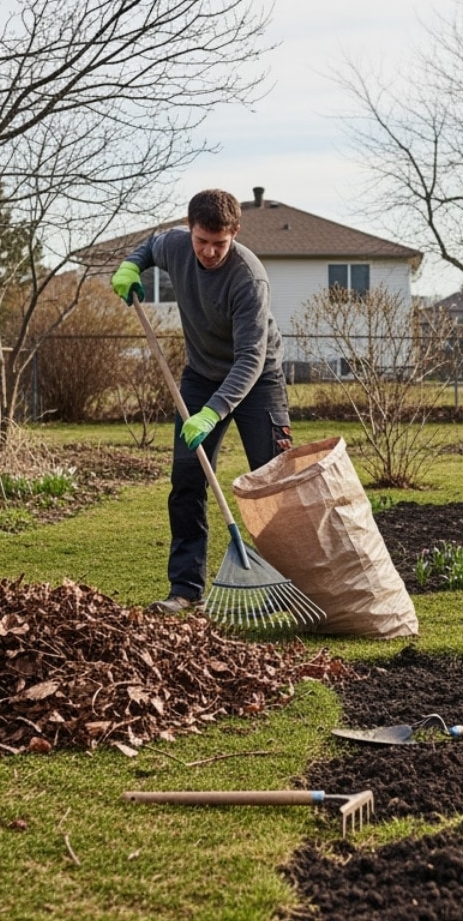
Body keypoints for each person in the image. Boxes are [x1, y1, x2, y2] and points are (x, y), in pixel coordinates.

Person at [110, 189, 292, 614]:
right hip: (200, 375)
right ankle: (186, 589)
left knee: (273, 483)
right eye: (201, 241)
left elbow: (250, 358)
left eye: (220, 243)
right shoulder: (175, 244)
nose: (210, 252)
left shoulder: (248, 278)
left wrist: (213, 412)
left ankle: (285, 585)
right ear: (190, 229)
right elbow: (151, 245)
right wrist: (131, 264)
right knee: (188, 480)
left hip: (258, 379)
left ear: (235, 233)